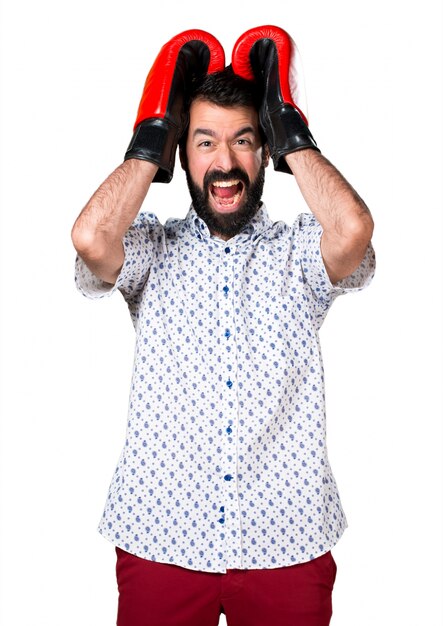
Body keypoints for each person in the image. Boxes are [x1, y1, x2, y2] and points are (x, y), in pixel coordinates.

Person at [72, 25, 375, 626]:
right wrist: (149, 140)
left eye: (243, 140)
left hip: (286, 541)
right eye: (204, 142)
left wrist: (289, 129)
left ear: (265, 152)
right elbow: (90, 238)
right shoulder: (150, 250)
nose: (225, 162)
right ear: (180, 154)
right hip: (160, 536)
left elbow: (353, 231)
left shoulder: (298, 256)